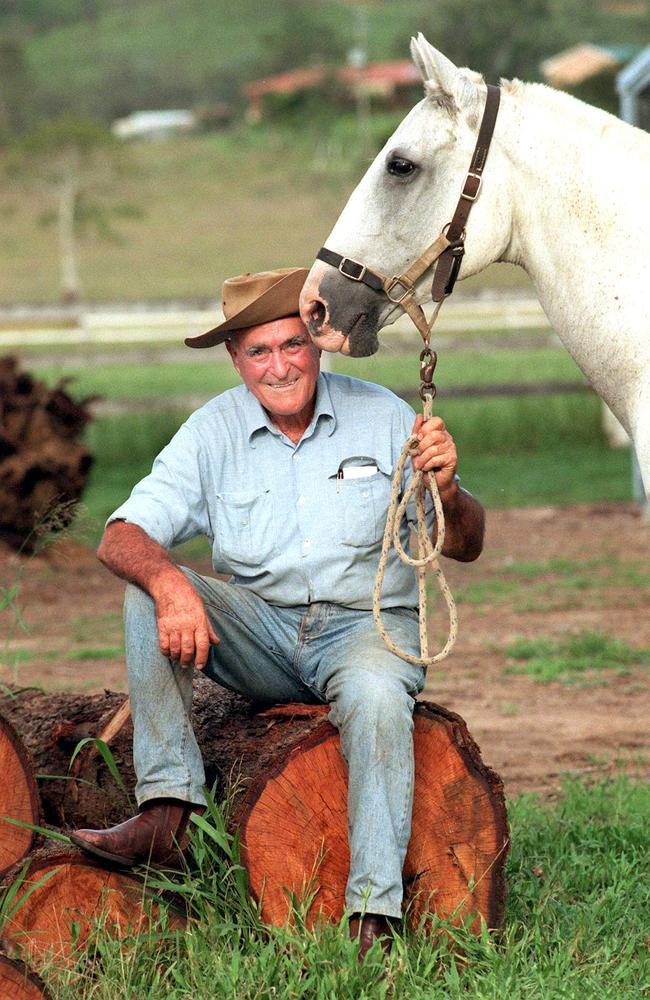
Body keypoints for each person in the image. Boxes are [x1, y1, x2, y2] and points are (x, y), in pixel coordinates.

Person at [71, 268, 485, 960]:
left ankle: (373, 916)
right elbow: (120, 536)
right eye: (259, 351)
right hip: (259, 632)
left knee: (381, 700)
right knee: (146, 586)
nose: (279, 365)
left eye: (293, 345)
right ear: (235, 358)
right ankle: (168, 808)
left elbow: (465, 544)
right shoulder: (210, 433)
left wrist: (448, 488)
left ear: (319, 344)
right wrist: (173, 583)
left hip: (364, 630)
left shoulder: (384, 417)